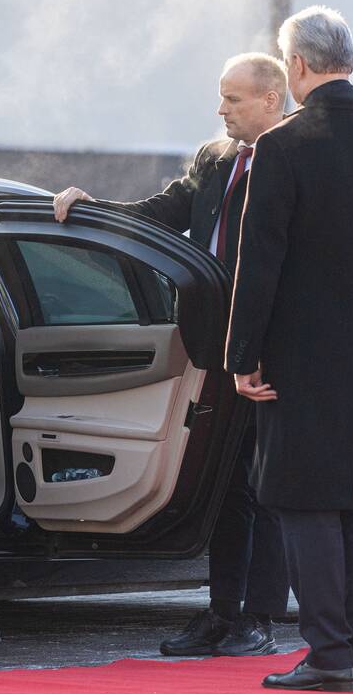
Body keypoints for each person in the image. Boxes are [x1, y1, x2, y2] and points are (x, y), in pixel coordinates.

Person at [52, 53, 291, 657]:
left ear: (271, 99)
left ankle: (261, 618)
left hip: (275, 353)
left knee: (269, 487)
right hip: (213, 349)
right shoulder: (215, 158)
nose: (221, 110)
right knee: (225, 485)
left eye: (233, 99)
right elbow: (163, 215)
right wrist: (90, 210)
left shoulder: (297, 157)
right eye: (220, 97)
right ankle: (221, 612)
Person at [225, 6, 353, 692]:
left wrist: (241, 356)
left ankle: (331, 655)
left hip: (297, 353)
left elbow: (261, 262)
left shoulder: (283, 146)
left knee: (307, 499)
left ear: (299, 68)